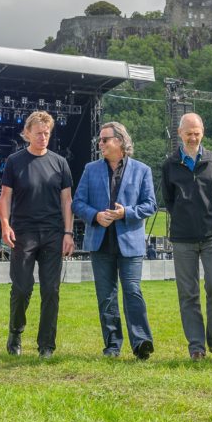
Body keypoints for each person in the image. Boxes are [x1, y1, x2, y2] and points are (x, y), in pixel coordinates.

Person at [72, 122, 156, 359]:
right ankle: (112, 346)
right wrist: (96, 216)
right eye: (100, 140)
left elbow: (150, 205)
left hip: (130, 243)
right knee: (106, 296)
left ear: (119, 141)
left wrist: (125, 213)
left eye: (104, 140)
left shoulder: (142, 170)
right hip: (100, 243)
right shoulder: (90, 169)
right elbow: (77, 203)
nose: (100, 144)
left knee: (132, 291)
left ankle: (141, 342)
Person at [0, 111, 75, 359]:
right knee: (21, 288)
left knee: (51, 290)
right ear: (27, 133)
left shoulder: (60, 163)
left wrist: (68, 232)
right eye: (39, 132)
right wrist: (5, 224)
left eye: (47, 133)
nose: (43, 137)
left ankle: (46, 345)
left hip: (53, 233)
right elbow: (5, 197)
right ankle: (15, 331)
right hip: (23, 233)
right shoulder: (14, 161)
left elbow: (67, 201)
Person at [161, 112, 212, 362]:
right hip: (183, 238)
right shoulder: (170, 164)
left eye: (197, 132)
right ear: (180, 133)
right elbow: (169, 200)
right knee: (188, 293)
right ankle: (196, 347)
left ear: (203, 132)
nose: (193, 137)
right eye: (188, 133)